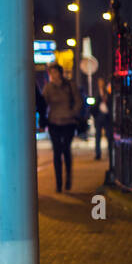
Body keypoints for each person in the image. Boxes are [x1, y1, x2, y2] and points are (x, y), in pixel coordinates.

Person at [42, 62, 81, 192]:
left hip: (68, 122)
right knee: (57, 152)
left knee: (66, 149)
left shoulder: (70, 85)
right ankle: (59, 184)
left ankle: (68, 179)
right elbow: (43, 104)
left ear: (60, 72)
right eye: (51, 73)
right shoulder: (48, 88)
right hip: (54, 123)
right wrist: (44, 118)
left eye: (55, 72)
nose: (53, 75)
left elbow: (78, 101)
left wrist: (73, 113)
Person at [92, 75, 114, 162]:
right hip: (98, 117)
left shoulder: (108, 93)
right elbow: (93, 105)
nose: (101, 84)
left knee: (109, 136)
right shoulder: (96, 93)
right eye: (99, 83)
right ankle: (98, 153)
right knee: (98, 136)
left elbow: (110, 103)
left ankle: (110, 153)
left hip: (107, 118)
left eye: (102, 83)